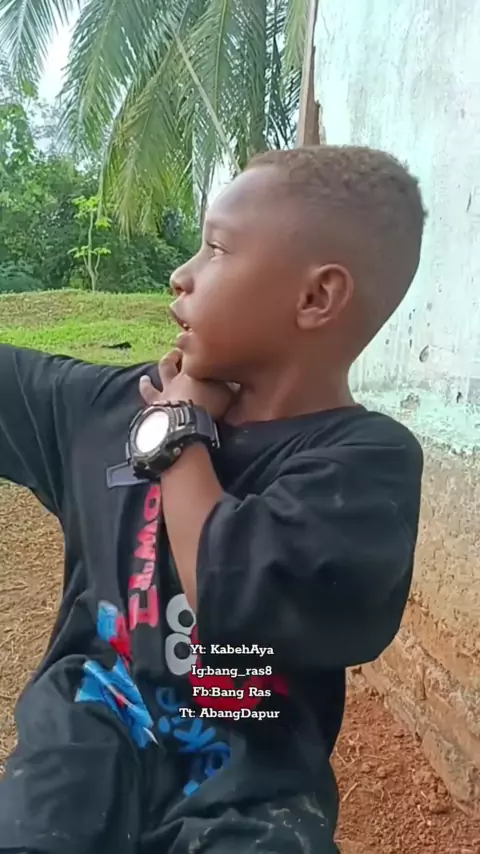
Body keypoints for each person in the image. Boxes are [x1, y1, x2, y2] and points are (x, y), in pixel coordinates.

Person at [0, 145, 425, 854]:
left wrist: (179, 434)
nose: (182, 273)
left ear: (317, 298)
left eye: (217, 249)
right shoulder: (105, 410)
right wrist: (176, 415)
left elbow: (234, 592)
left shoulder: (362, 465)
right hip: (67, 781)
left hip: (246, 808)